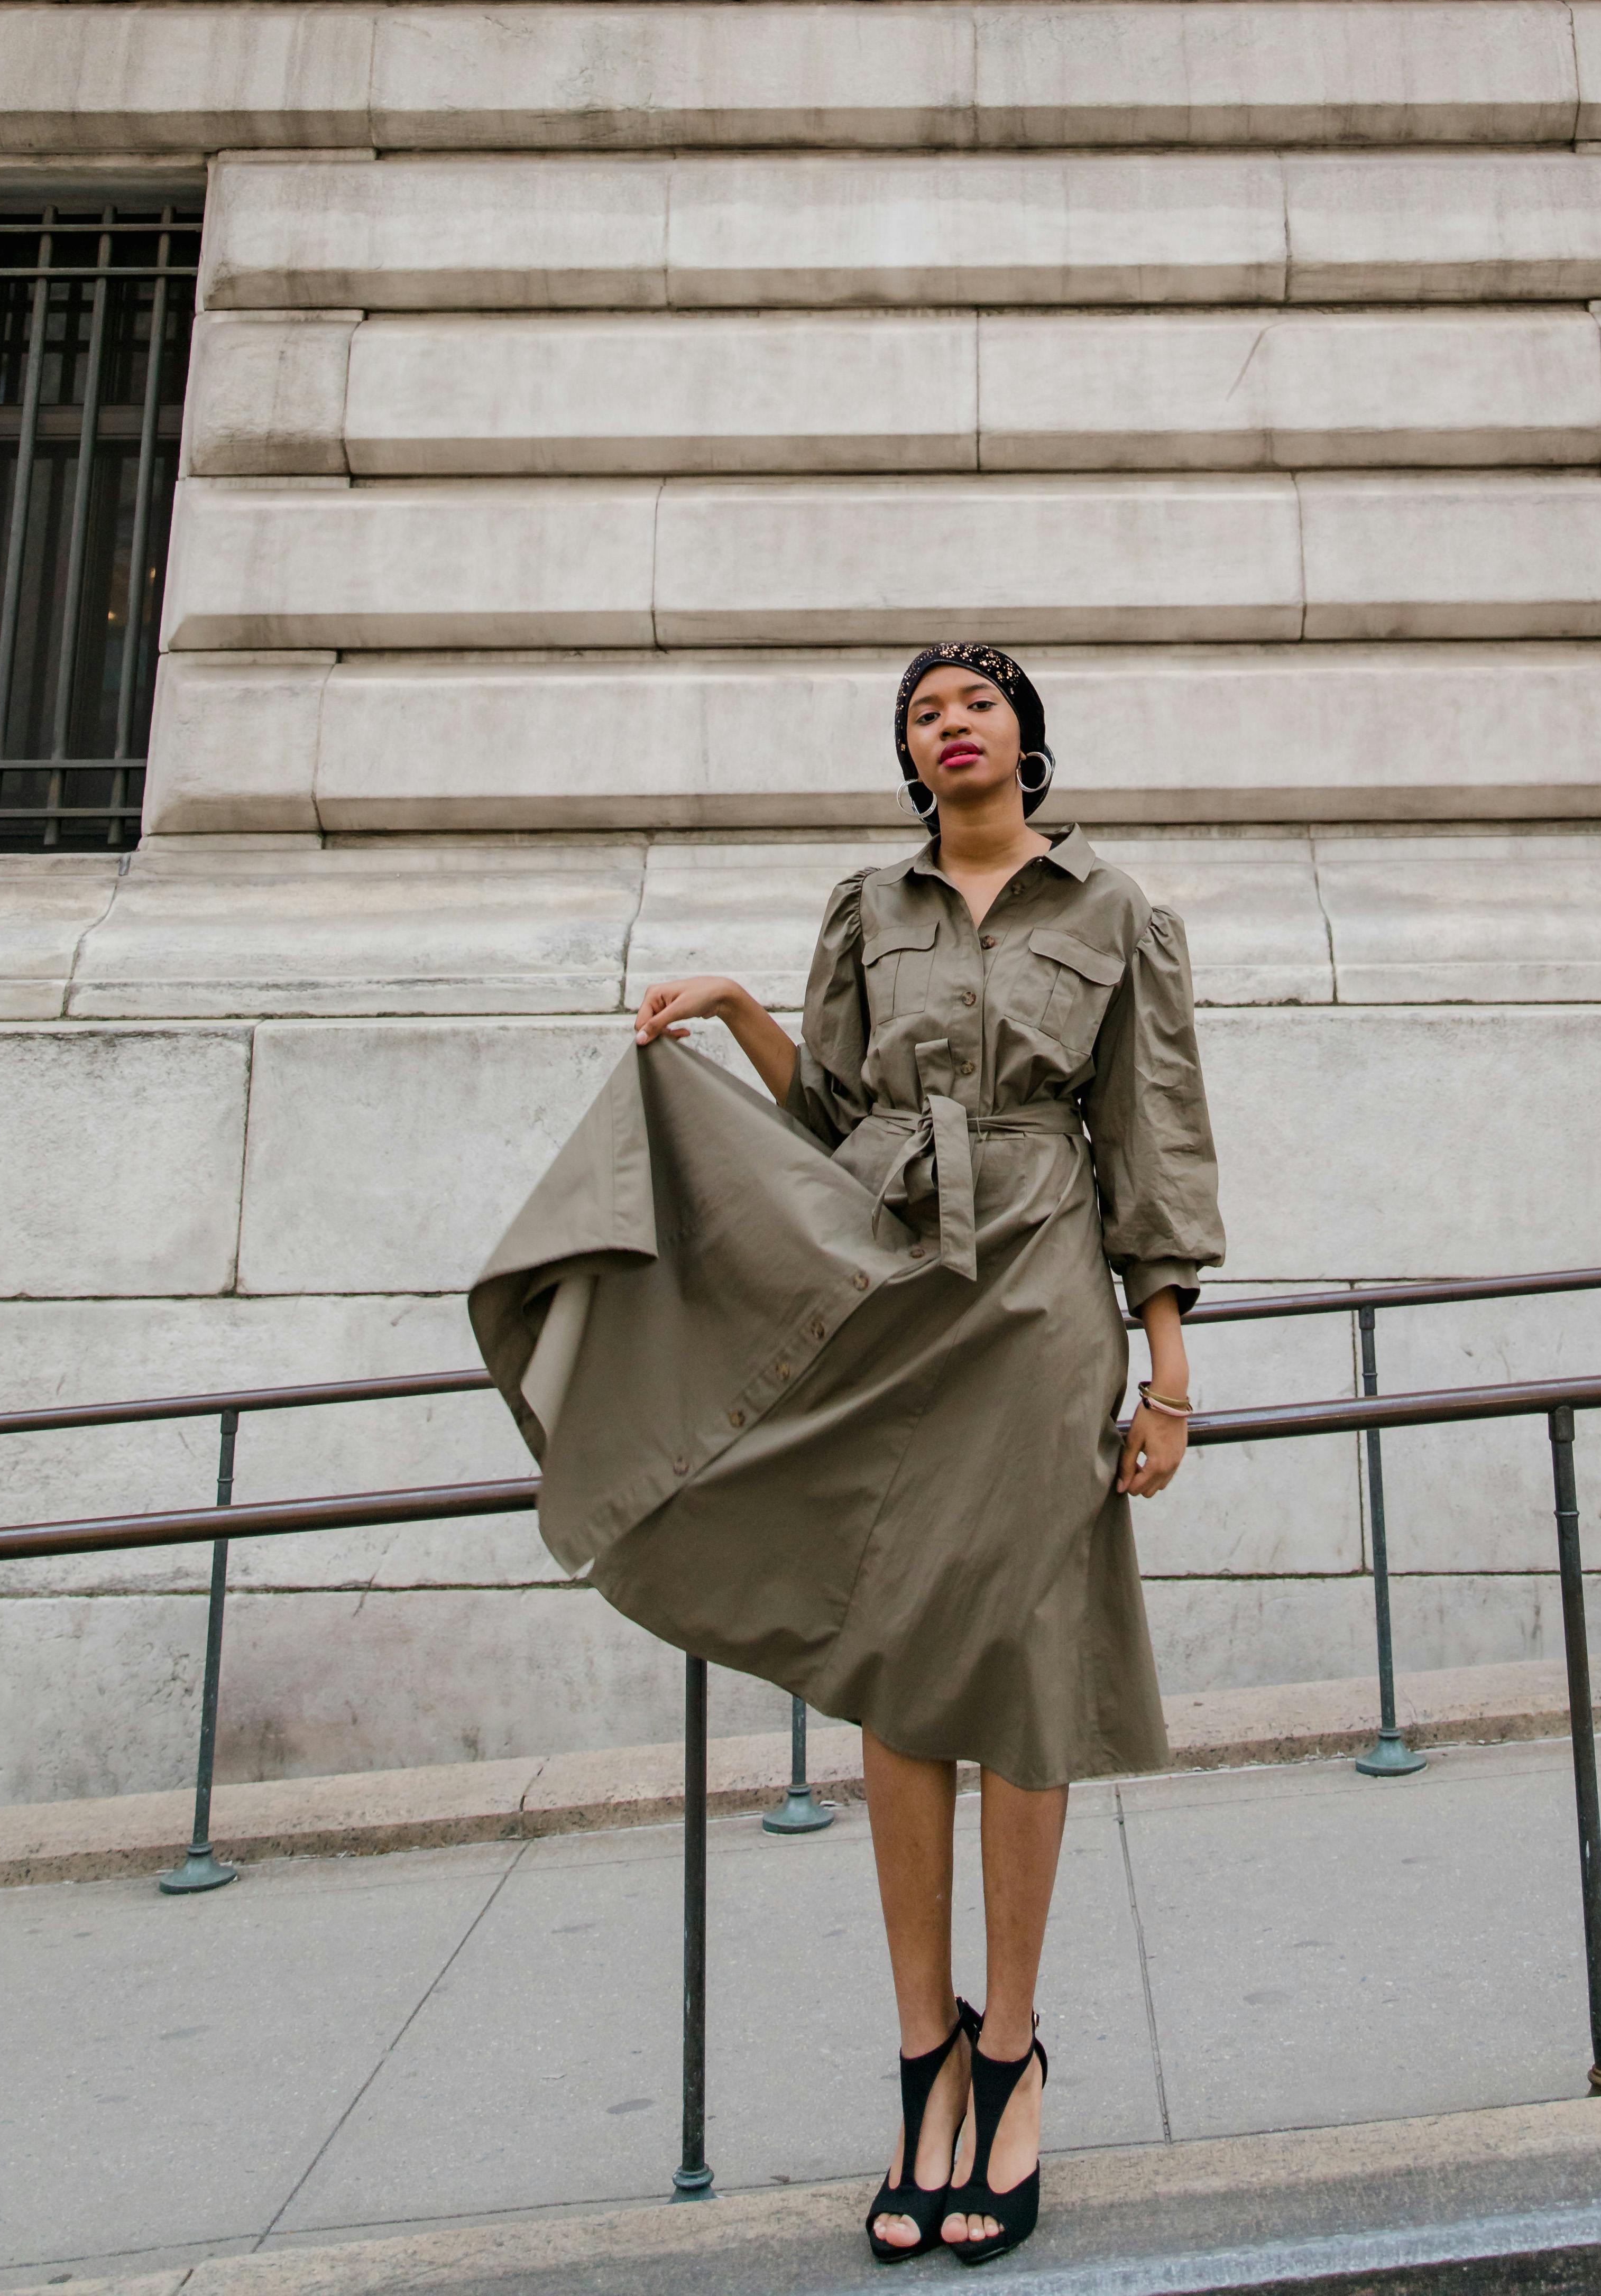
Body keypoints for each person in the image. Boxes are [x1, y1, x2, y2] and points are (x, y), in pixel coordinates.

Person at [475, 642, 1220, 2269]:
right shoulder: (863, 912)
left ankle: (1012, 2052)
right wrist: (740, 1010)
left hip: (1036, 1302)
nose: (949, 723)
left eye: (975, 701)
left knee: (1021, 1666)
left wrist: (1164, 1379)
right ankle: (921, 2061)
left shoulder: (1116, 917)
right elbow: (820, 1125)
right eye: (921, 712)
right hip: (886, 1297)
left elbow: (1152, 1150)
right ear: (911, 757)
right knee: (895, 1668)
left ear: (1027, 734)